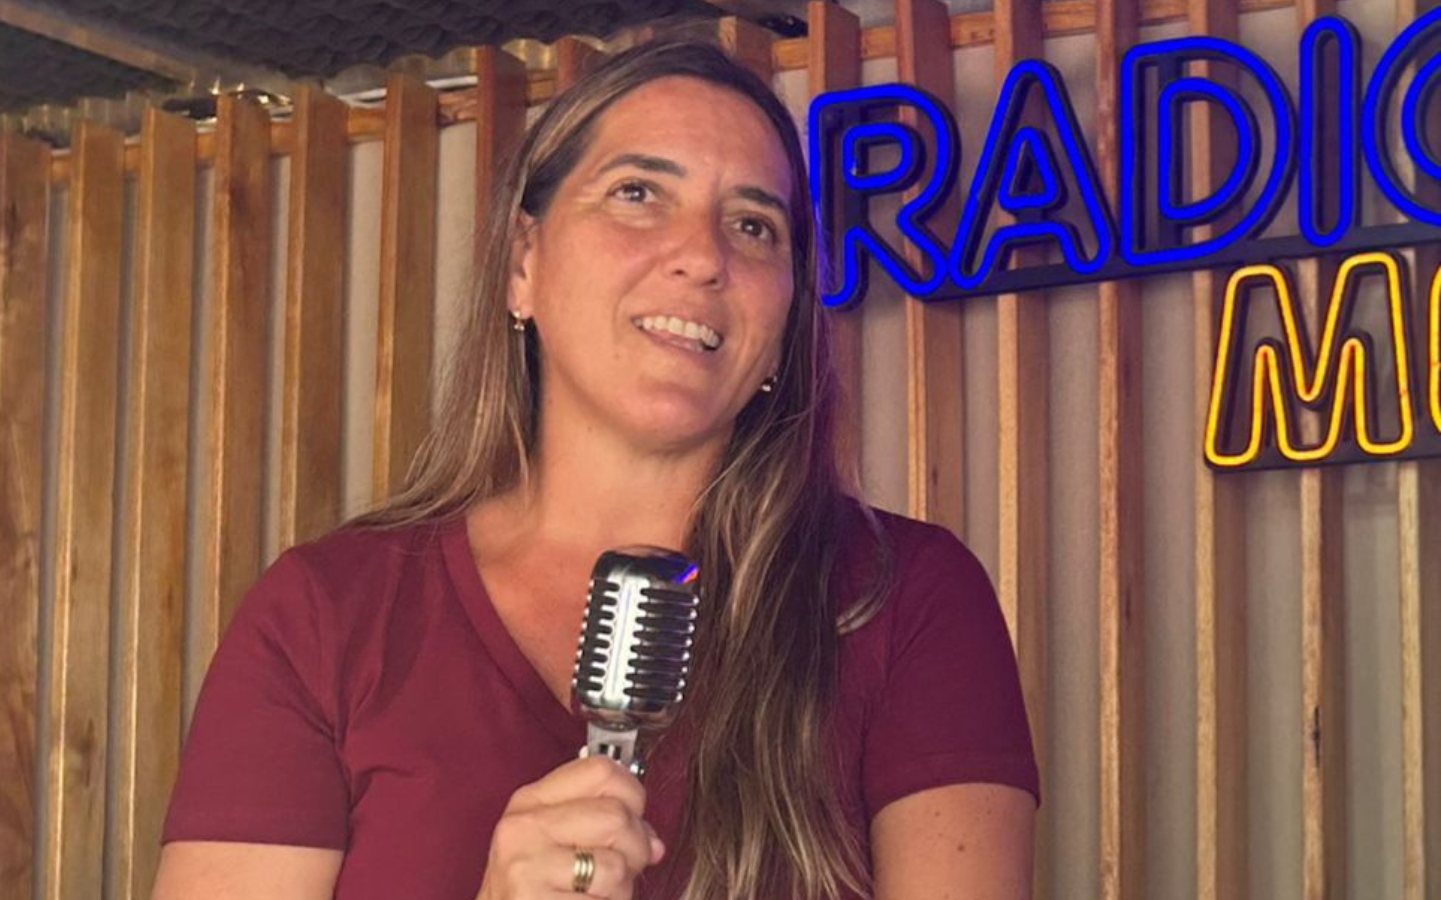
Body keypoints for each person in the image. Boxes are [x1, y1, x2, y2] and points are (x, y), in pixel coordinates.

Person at [151, 39, 1039, 900]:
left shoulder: (905, 599)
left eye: (753, 225)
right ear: (523, 264)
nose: (704, 256)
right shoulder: (323, 617)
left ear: (784, 325)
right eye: (638, 193)